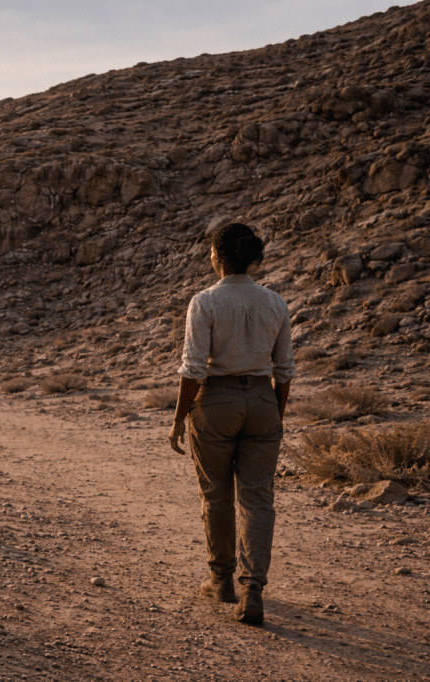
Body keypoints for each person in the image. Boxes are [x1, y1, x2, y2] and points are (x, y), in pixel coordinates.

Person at [168, 222, 295, 626]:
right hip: (262, 400)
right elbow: (285, 370)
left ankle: (221, 581)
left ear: (217, 256)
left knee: (216, 494)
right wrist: (274, 412)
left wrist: (177, 420)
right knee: (258, 498)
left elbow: (192, 369)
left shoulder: (204, 302)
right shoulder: (274, 302)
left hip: (217, 403)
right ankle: (253, 588)